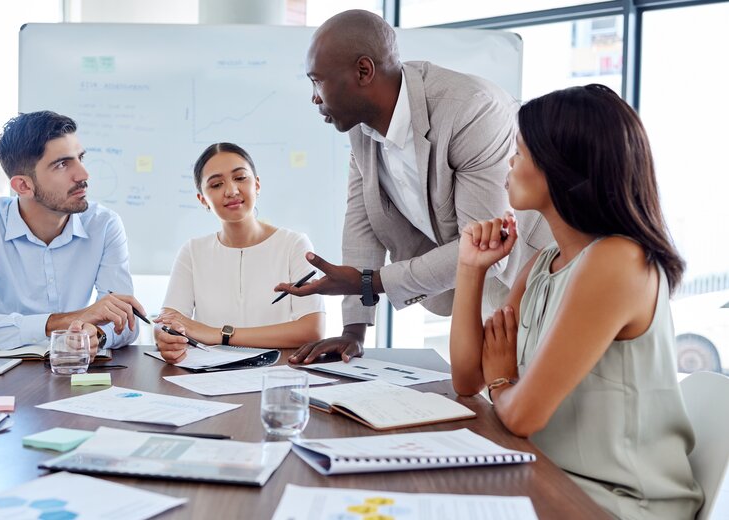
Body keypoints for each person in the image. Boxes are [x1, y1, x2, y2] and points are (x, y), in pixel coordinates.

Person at [450, 85, 703, 519]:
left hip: (617, 503)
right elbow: (467, 377)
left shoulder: (617, 261)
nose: (510, 163)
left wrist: (503, 382)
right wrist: (470, 268)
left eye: (520, 152)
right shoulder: (543, 263)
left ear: (562, 170)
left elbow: (521, 415)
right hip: (547, 478)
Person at [275, 9, 551, 364]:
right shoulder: (362, 129)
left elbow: (486, 243)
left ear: (363, 71)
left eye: (317, 81)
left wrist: (370, 282)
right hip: (476, 293)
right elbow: (361, 223)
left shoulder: (470, 110)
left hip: (539, 277)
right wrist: (352, 332)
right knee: (489, 398)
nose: (314, 97)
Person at [0, 111, 144, 356]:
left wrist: (97, 335)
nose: (83, 175)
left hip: (76, 370)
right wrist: (64, 322)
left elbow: (126, 321)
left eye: (80, 158)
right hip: (1, 381)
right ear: (23, 186)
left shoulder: (103, 225)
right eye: (62, 164)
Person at [154, 143, 326, 363]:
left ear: (257, 184)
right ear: (202, 199)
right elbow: (167, 320)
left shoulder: (294, 244)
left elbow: (312, 329)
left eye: (240, 178)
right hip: (208, 378)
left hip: (276, 374)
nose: (231, 191)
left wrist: (218, 334)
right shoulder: (192, 251)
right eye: (216, 184)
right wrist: (165, 336)